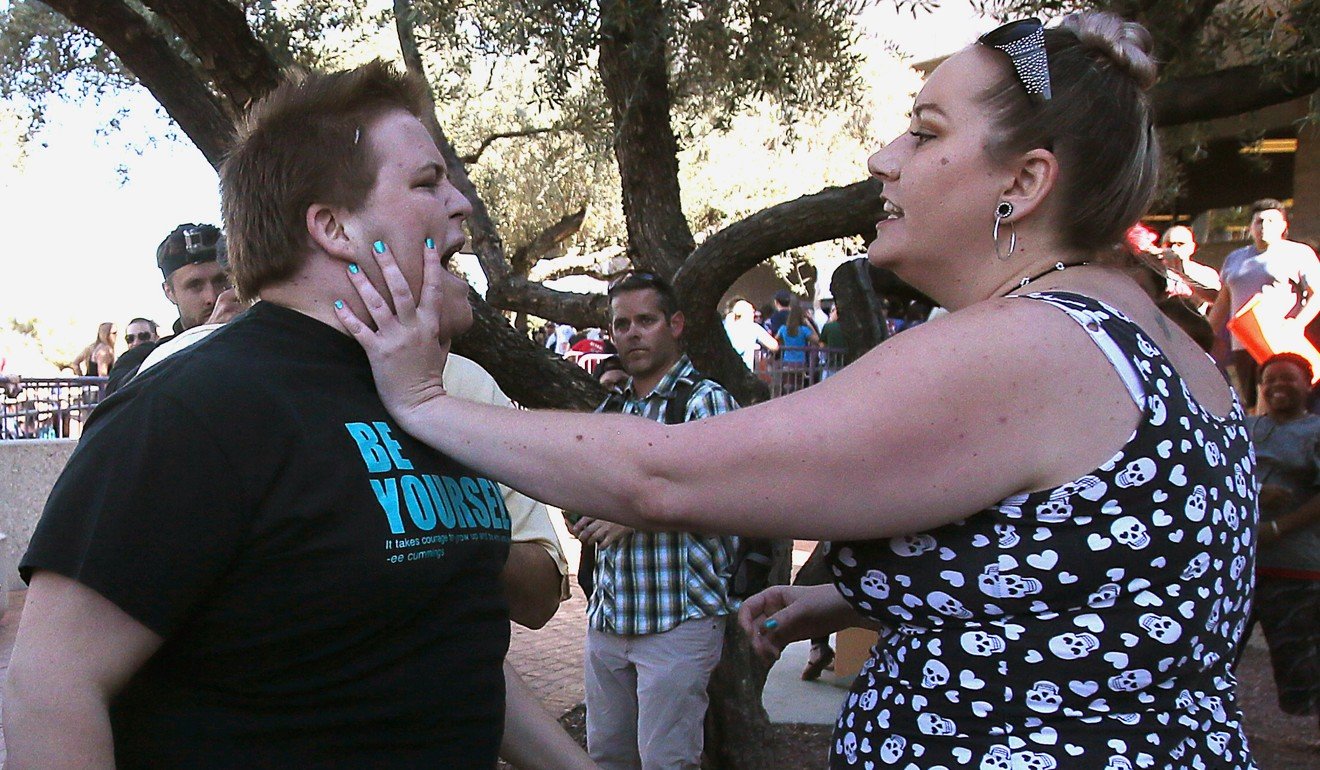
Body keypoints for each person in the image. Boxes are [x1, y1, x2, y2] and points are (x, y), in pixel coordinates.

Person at [337, 13, 1256, 769]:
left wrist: (427, 403)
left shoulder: (1027, 345)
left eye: (926, 132)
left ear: (1023, 181)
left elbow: (661, 479)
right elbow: (1094, 581)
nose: (882, 158)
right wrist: (875, 598)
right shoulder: (1152, 340)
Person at [4, 60, 588, 769]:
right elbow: (49, 687)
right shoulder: (193, 408)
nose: (463, 204)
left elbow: (446, 643)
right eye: (429, 183)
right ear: (334, 226)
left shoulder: (426, 401)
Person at [566, 271, 740, 770]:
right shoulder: (613, 407)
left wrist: (635, 517)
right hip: (610, 617)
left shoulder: (705, 402)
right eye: (622, 324)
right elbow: (584, 489)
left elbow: (726, 499)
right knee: (608, 757)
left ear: (676, 324)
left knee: (667, 761)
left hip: (677, 620)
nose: (633, 333)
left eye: (646, 320)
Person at [1244, 352, 1320, 726]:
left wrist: (1277, 527)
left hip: (1296, 569)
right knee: (1215, 657)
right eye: (1269, 379)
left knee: (1302, 669)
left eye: (1288, 379)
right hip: (1240, 568)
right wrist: (1256, 490)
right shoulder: (1244, 429)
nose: (1277, 386)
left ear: (1308, 385)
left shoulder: (1316, 433)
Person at [1208, 199, 1320, 410]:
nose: (1264, 226)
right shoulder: (1235, 258)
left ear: (1284, 226)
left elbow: (1318, 294)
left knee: (1281, 403)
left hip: (1279, 343)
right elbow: (1223, 301)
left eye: (1271, 221)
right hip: (1242, 344)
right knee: (1251, 404)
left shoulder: (1299, 253)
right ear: (1250, 227)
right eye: (1259, 221)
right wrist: (1204, 337)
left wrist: (1297, 323)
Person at [103, 223, 234, 395]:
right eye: (195, 285)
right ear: (169, 292)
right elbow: (123, 399)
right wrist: (204, 336)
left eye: (221, 281)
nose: (211, 297)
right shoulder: (142, 359)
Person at [1160, 225, 1219, 309]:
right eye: (1169, 245)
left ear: (1192, 247)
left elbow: (1216, 299)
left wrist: (1183, 275)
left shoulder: (1206, 273)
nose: (1173, 248)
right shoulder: (1154, 270)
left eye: (1180, 244)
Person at [722, 298, 779, 369]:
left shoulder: (725, 325)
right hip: (743, 371)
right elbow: (774, 346)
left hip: (723, 369)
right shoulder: (753, 327)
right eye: (752, 312)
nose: (754, 314)